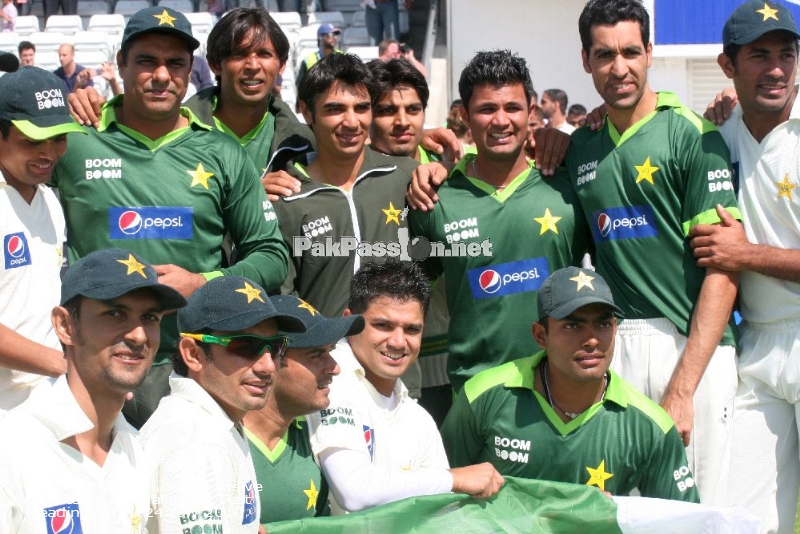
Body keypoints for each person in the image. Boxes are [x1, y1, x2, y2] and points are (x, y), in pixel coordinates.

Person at [51, 6, 290, 428]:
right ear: (120, 63)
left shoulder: (222, 152)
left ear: (189, 71)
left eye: (175, 63)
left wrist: (202, 284)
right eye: (146, 60)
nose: (162, 75)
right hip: (91, 368)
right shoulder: (73, 141)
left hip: (193, 365)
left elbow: (271, 254)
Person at [565, 0, 740, 506]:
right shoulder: (581, 147)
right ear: (585, 60)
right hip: (617, 341)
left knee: (701, 508)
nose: (618, 68)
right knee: (625, 509)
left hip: (691, 343)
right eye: (604, 55)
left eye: (629, 52)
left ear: (649, 53)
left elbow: (723, 272)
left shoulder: (692, 134)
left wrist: (683, 388)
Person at [408, 49, 590, 392]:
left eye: (512, 108)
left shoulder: (567, 186)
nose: (501, 120)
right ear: (464, 115)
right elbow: (410, 290)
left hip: (561, 388)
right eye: (487, 109)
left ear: (531, 111)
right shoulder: (435, 198)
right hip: (474, 393)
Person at [441, 266, 700, 502]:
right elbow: (438, 492)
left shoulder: (651, 426)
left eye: (603, 323)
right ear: (541, 335)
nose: (592, 340)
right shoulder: (484, 396)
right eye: (573, 325)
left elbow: (686, 522)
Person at [691, 1, 800, 531]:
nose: (777, 68)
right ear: (728, 66)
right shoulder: (715, 137)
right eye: (759, 55)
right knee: (744, 520)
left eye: (787, 53)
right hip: (755, 350)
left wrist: (744, 255)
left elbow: (736, 254)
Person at [0, 247, 187, 533]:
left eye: (150, 318)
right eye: (114, 313)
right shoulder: (12, 449)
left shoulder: (138, 450)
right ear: (65, 326)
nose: (138, 335)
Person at [306, 260, 505, 514]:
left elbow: (440, 517)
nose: (399, 342)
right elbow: (354, 492)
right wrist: (455, 479)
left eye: (412, 329)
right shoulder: (329, 383)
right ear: (350, 322)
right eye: (383, 325)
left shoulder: (418, 419)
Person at [140, 276, 305, 534]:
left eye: (274, 347)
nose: (268, 366)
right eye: (245, 346)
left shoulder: (213, 421)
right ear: (193, 354)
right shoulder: (194, 443)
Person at [275, 53, 418, 318]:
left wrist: (443, 167)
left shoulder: (406, 176)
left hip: (396, 352)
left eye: (361, 108)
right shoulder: (286, 197)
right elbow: (282, 299)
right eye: (335, 109)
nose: (352, 122)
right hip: (320, 355)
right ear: (307, 112)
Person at [0, 65, 85, 414]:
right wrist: (64, 366)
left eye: (59, 137)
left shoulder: (49, 200)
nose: (48, 152)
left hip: (44, 404)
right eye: (33, 140)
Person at [244, 295, 364, 524]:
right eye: (316, 354)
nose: (335, 368)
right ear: (271, 359)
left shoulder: (313, 433)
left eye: (331, 351)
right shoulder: (216, 438)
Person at [295, 22, 342, 91]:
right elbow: (300, 85)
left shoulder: (342, 57)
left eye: (336, 34)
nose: (334, 38)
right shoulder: (308, 60)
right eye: (330, 35)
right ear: (320, 37)